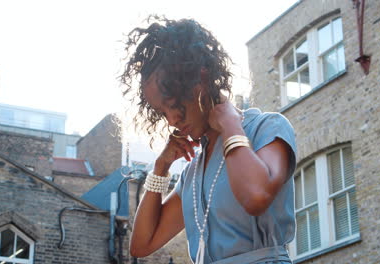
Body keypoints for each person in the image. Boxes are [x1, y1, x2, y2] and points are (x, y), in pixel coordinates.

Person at [120, 16, 297, 264]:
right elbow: (141, 245)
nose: (171, 120)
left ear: (201, 81)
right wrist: (161, 168)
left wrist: (230, 123)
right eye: (162, 112)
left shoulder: (266, 128)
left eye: (174, 104)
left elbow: (256, 196)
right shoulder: (194, 172)